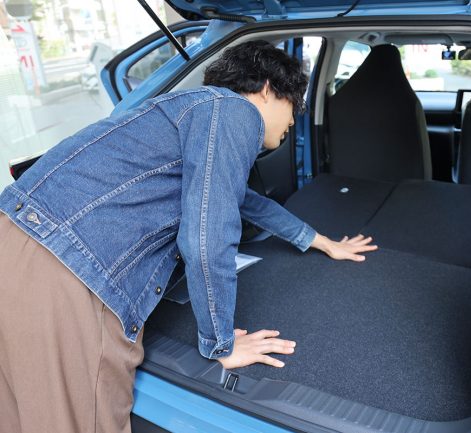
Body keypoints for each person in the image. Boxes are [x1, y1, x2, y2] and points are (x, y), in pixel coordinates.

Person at [0, 40, 377, 433]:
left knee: (19, 412)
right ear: (266, 89)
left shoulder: (193, 109)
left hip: (16, 241)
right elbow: (207, 238)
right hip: (63, 275)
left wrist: (320, 241)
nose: (294, 122)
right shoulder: (235, 111)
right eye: (294, 106)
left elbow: (245, 202)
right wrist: (221, 343)